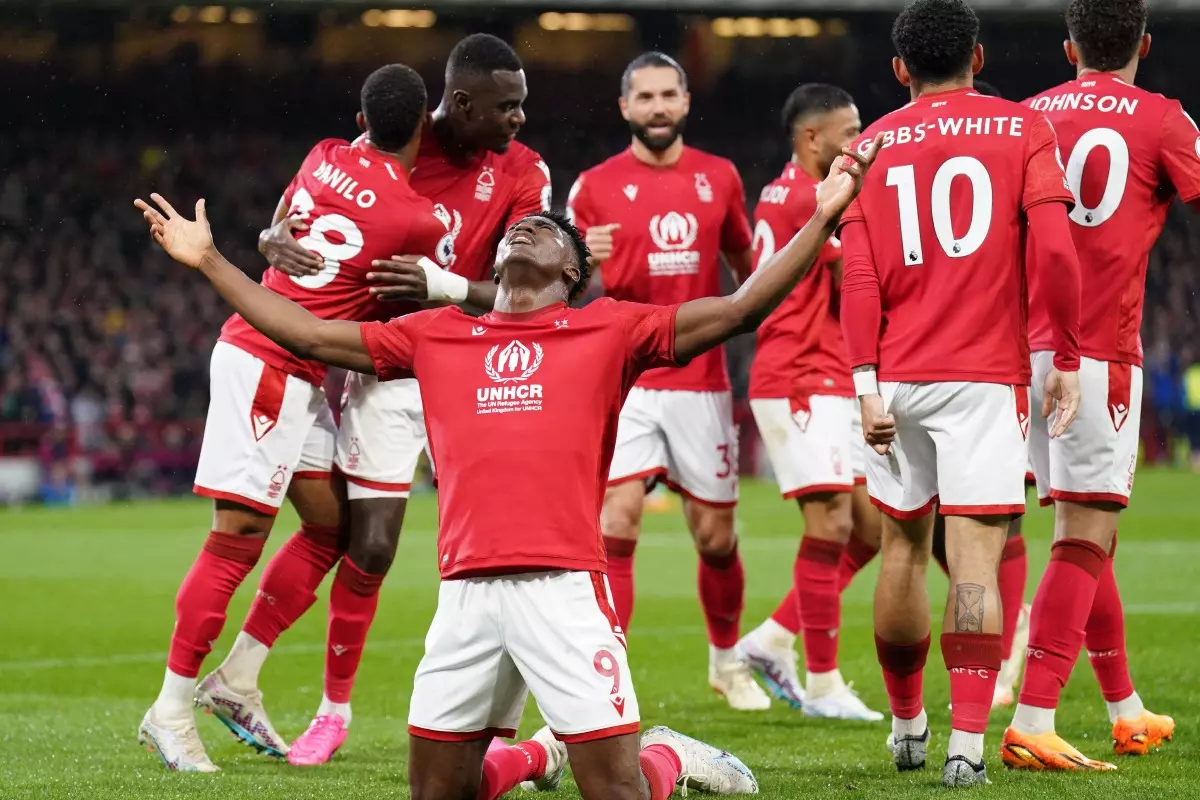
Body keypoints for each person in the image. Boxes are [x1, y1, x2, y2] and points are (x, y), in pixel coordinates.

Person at [134, 131, 881, 798]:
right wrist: (208, 260)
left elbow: (743, 306)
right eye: (519, 226)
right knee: (439, 791)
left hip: (562, 589)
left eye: (549, 232)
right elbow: (309, 334)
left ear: (571, 272)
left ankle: (669, 761)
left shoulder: (609, 328)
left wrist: (822, 216)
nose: (528, 227)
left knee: (617, 790)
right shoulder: (435, 333)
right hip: (463, 597)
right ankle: (529, 760)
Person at [207, 34, 554, 766]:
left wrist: (448, 288)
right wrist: (272, 236)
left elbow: (540, 289)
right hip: (389, 369)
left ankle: (509, 717)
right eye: (508, 107)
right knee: (367, 545)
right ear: (460, 104)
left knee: (515, 541)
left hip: (484, 371)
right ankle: (332, 712)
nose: (520, 120)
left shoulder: (525, 173)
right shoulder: (393, 141)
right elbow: (305, 202)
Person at [134, 63, 454, 772]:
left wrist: (268, 240)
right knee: (235, 541)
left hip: (289, 369)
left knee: (331, 527)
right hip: (268, 367)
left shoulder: (322, 156)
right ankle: (172, 710)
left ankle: (238, 678)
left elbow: (279, 227)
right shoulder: (419, 219)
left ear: (360, 117)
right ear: (426, 125)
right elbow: (405, 310)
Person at [837, 0, 1083, 786]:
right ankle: (966, 748)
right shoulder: (1023, 129)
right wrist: (1067, 356)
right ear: (978, 58)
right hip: (983, 378)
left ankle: (907, 727)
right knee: (976, 557)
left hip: (896, 378)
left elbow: (861, 276)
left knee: (902, 548)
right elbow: (1054, 249)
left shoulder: (866, 147)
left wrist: (865, 385)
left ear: (900, 68)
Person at [1001, 0, 1199, 770]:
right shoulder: (1161, 118)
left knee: (1088, 534)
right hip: (1099, 353)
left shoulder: (1025, 118)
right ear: (1144, 43)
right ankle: (1034, 716)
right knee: (1084, 536)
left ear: (1068, 45)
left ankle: (1125, 709)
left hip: (1022, 351)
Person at [565, 52, 766, 711]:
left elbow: (751, 270)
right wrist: (581, 267)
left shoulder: (719, 177)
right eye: (644, 96)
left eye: (667, 94)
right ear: (624, 107)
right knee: (616, 522)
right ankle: (609, 670)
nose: (656, 106)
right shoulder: (592, 187)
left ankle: (727, 661)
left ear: (685, 102)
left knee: (715, 538)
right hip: (624, 381)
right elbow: (553, 291)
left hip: (701, 381)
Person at [735, 82, 883, 723]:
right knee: (829, 527)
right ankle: (824, 686)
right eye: (850, 132)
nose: (860, 143)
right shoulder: (807, 197)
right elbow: (854, 272)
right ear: (812, 137)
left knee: (870, 531)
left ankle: (770, 642)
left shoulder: (789, 188)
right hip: (798, 376)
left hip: (827, 374)